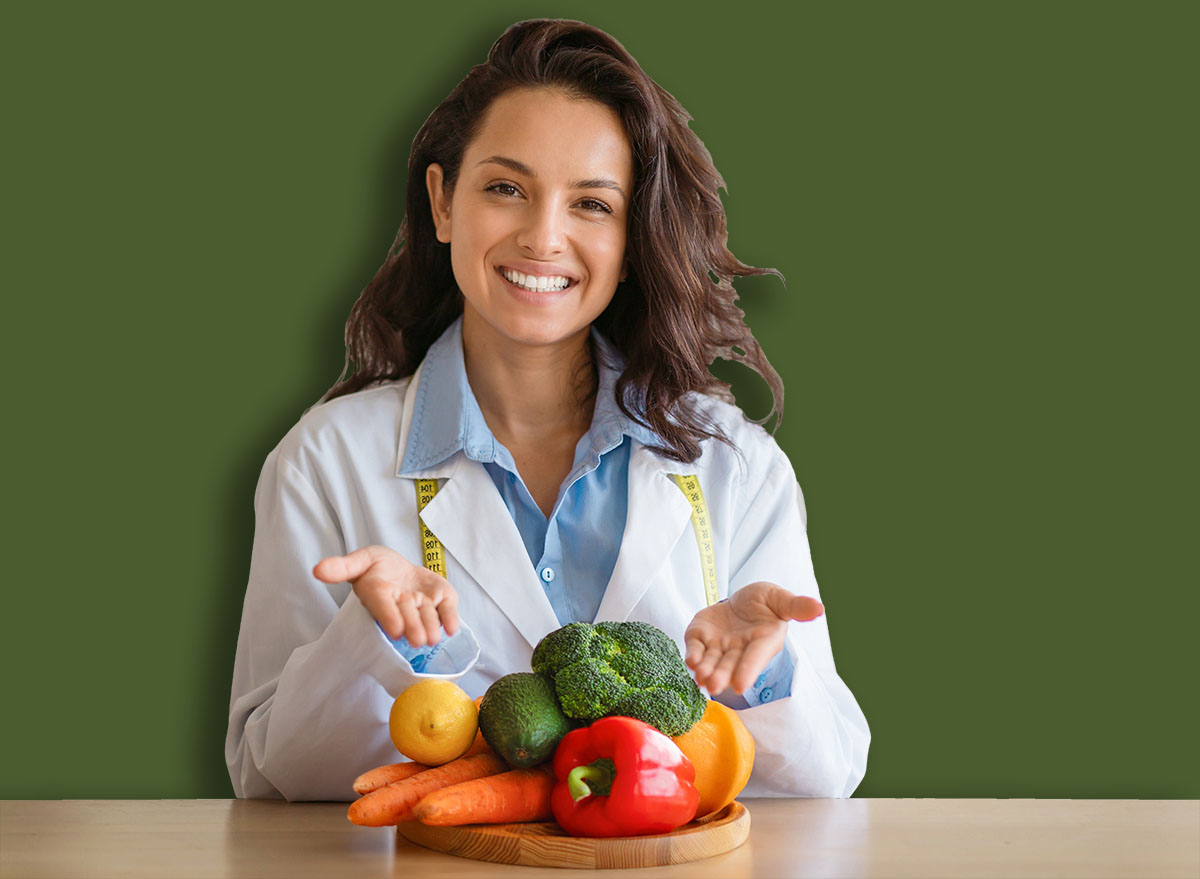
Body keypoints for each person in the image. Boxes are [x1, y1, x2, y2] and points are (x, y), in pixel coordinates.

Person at [225, 18, 869, 802]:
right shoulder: (324, 462)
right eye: (505, 188)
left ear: (632, 239)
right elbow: (265, 775)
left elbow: (830, 772)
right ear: (443, 202)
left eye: (593, 204)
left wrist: (757, 671)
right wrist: (377, 639)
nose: (543, 236)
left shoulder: (735, 466)